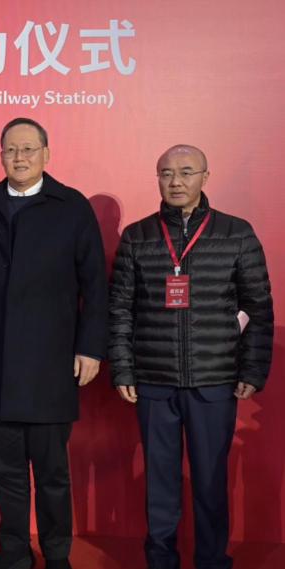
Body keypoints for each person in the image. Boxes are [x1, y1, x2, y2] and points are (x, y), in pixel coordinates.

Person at [109, 145, 274, 569]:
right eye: (166, 173)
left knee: (211, 483)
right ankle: (160, 561)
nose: (176, 181)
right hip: (154, 382)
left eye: (186, 172)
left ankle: (212, 560)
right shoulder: (138, 236)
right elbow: (121, 309)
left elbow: (258, 307)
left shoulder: (236, 233)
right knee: (159, 487)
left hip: (214, 380)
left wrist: (253, 369)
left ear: (205, 177)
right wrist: (124, 369)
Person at [0, 118, 108, 569]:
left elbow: (95, 284)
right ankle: (14, 552)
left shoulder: (71, 206)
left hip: (51, 364)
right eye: (10, 150)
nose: (19, 157)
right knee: (5, 471)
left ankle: (57, 554)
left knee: (52, 473)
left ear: (47, 154)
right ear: (1, 155)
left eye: (27, 149)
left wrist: (90, 347)